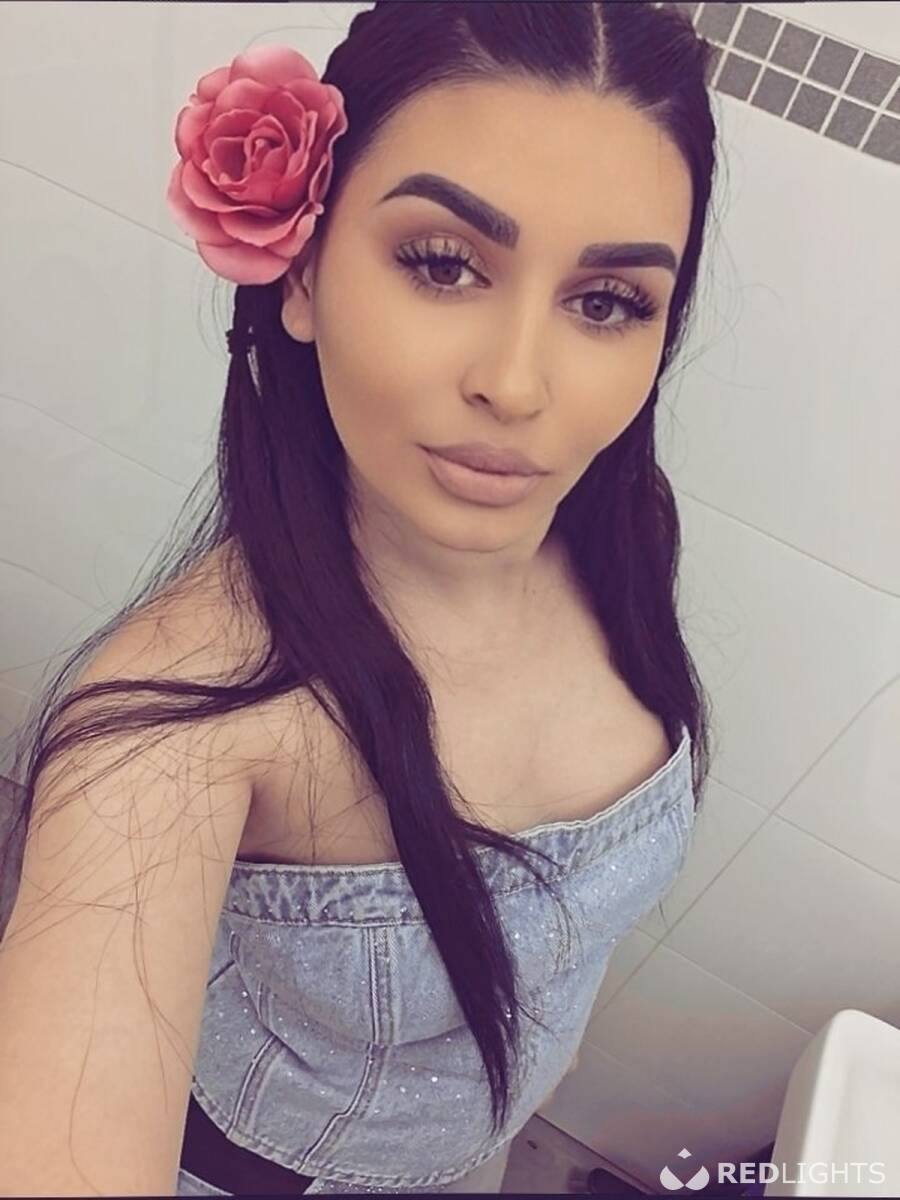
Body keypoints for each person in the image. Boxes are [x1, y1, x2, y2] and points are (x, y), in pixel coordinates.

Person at [0, 2, 717, 1194]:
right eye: (443, 263)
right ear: (302, 272)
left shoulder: (620, 531)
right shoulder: (167, 739)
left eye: (607, 301)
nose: (518, 385)